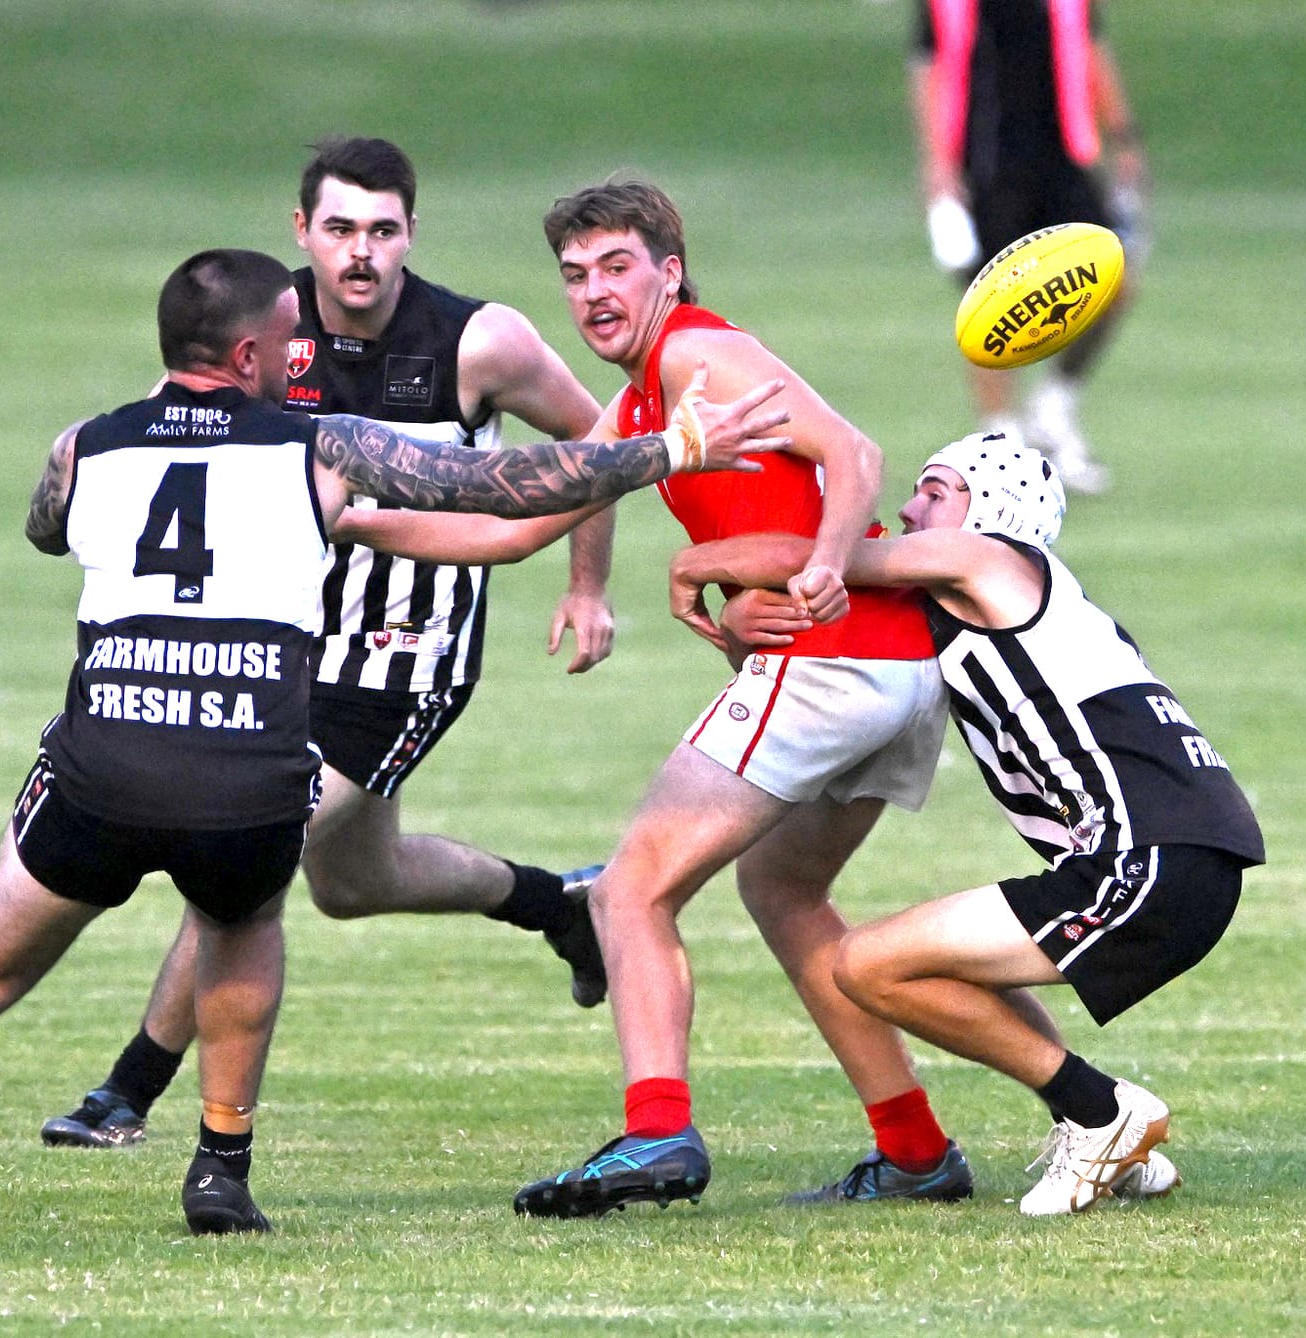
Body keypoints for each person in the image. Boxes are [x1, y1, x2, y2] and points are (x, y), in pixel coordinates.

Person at [0, 246, 793, 1238]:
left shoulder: (85, 444)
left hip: (105, 763)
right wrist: (672, 449)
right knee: (243, 918)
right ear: (246, 355)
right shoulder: (319, 449)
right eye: (290, 337)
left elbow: (47, 527)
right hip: (241, 776)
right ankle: (219, 1170)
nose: (304, 352)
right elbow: (491, 489)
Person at [39, 137, 620, 1153]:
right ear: (299, 230)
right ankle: (559, 903)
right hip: (277, 645)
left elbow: (588, 446)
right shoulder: (255, 335)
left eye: (382, 231)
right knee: (354, 883)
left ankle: (126, 1091)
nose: (360, 253)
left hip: (405, 656)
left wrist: (586, 585)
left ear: (411, 234)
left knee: (254, 838)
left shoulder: (478, 342)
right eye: (340, 229)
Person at [513, 180, 974, 1219]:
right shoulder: (639, 393)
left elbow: (852, 453)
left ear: (667, 273)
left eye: (615, 267)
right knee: (782, 892)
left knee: (626, 889)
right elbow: (593, 474)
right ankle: (915, 1150)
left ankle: (656, 1131)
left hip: (832, 656)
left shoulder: (691, 353)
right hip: (893, 672)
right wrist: (588, 588)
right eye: (574, 276)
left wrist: (815, 571)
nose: (591, 293)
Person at [668, 431, 1264, 1214]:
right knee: (936, 961)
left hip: (1149, 859)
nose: (910, 508)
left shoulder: (989, 559)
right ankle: (1110, 1139)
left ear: (994, 508)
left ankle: (1101, 1112)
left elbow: (828, 558)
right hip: (1171, 859)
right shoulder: (994, 605)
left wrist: (694, 565)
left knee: (867, 966)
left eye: (937, 490)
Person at [911, 0, 1149, 493]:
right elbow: (928, 68)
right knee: (990, 305)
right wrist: (936, 163)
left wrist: (1123, 135)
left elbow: (1090, 48)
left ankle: (1054, 410)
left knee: (1115, 281)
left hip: (1063, 160)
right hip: (987, 162)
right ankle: (999, 443)